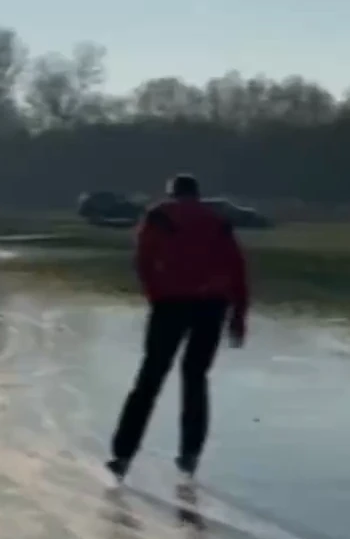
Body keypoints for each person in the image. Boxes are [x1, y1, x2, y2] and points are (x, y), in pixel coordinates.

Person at [106, 173, 249, 481]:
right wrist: (238, 316)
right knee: (195, 378)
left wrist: (154, 294)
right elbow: (237, 268)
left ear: (173, 194)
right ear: (197, 195)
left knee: (150, 378)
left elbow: (143, 260)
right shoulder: (216, 220)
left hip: (170, 303)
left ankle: (122, 454)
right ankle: (190, 454)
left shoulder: (158, 216)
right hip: (212, 306)